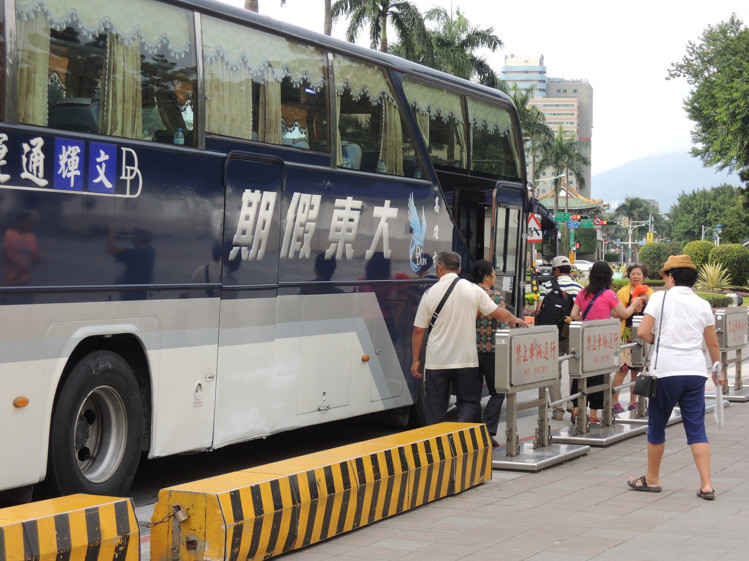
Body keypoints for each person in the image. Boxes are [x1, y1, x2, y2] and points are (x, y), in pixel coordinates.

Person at [627, 255, 722, 500]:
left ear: (671, 276)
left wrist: (656, 342)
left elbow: (643, 331)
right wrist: (717, 370)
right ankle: (707, 484)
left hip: (667, 371)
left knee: (657, 424)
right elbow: (712, 344)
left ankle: (652, 479)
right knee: (696, 428)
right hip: (695, 372)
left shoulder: (660, 297)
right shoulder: (702, 303)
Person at [411, 251, 526, 426]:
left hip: (437, 362)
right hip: (466, 361)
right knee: (468, 403)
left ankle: (436, 445)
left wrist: (415, 360)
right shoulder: (472, 290)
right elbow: (498, 313)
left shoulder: (429, 294)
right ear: (459, 269)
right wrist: (514, 318)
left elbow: (419, 331)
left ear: (439, 268)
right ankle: (460, 436)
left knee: (435, 408)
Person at [569, 261, 644, 423]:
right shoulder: (609, 294)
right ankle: (594, 415)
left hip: (585, 338)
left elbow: (574, 315)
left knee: (581, 374)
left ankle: (576, 411)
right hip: (602, 340)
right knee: (599, 375)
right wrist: (635, 303)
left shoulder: (582, 293)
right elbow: (624, 313)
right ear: (608, 276)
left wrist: (589, 318)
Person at [533, 255, 583, 420]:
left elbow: (538, 310)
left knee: (554, 372)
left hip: (551, 335)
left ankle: (558, 410)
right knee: (575, 370)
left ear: (556, 270)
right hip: (571, 333)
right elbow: (580, 314)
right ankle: (573, 403)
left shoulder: (547, 286)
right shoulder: (578, 287)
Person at [472, 260, 506, 447]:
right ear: (486, 277)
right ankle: (486, 432)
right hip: (490, 350)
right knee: (498, 392)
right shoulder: (494, 296)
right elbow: (502, 322)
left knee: (473, 394)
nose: (494, 277)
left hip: (469, 350)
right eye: (493, 274)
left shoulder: (467, 293)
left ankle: (473, 433)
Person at [612, 262, 653, 413]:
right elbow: (615, 314)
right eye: (633, 274)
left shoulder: (650, 293)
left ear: (644, 276)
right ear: (628, 275)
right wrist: (630, 308)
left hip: (642, 335)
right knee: (622, 370)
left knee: (637, 372)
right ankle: (614, 401)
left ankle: (633, 402)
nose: (636, 277)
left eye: (639, 274)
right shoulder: (622, 292)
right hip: (626, 335)